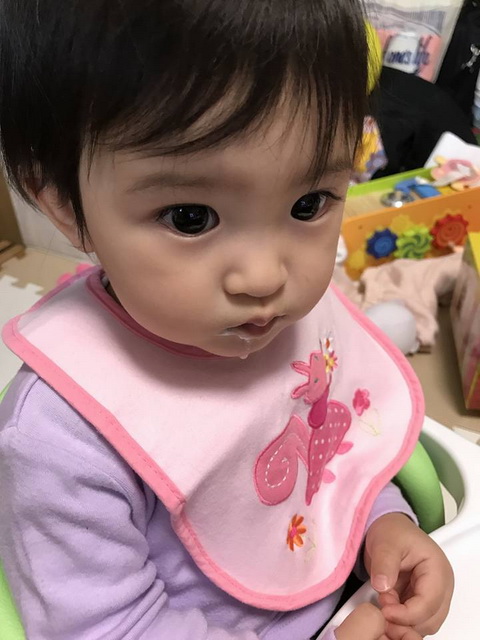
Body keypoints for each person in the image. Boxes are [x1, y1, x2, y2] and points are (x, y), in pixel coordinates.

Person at [0, 1, 453, 639]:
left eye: (309, 203)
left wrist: (384, 524)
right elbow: (110, 629)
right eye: (191, 217)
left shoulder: (290, 323)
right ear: (61, 202)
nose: (265, 276)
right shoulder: (62, 438)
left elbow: (332, 460)